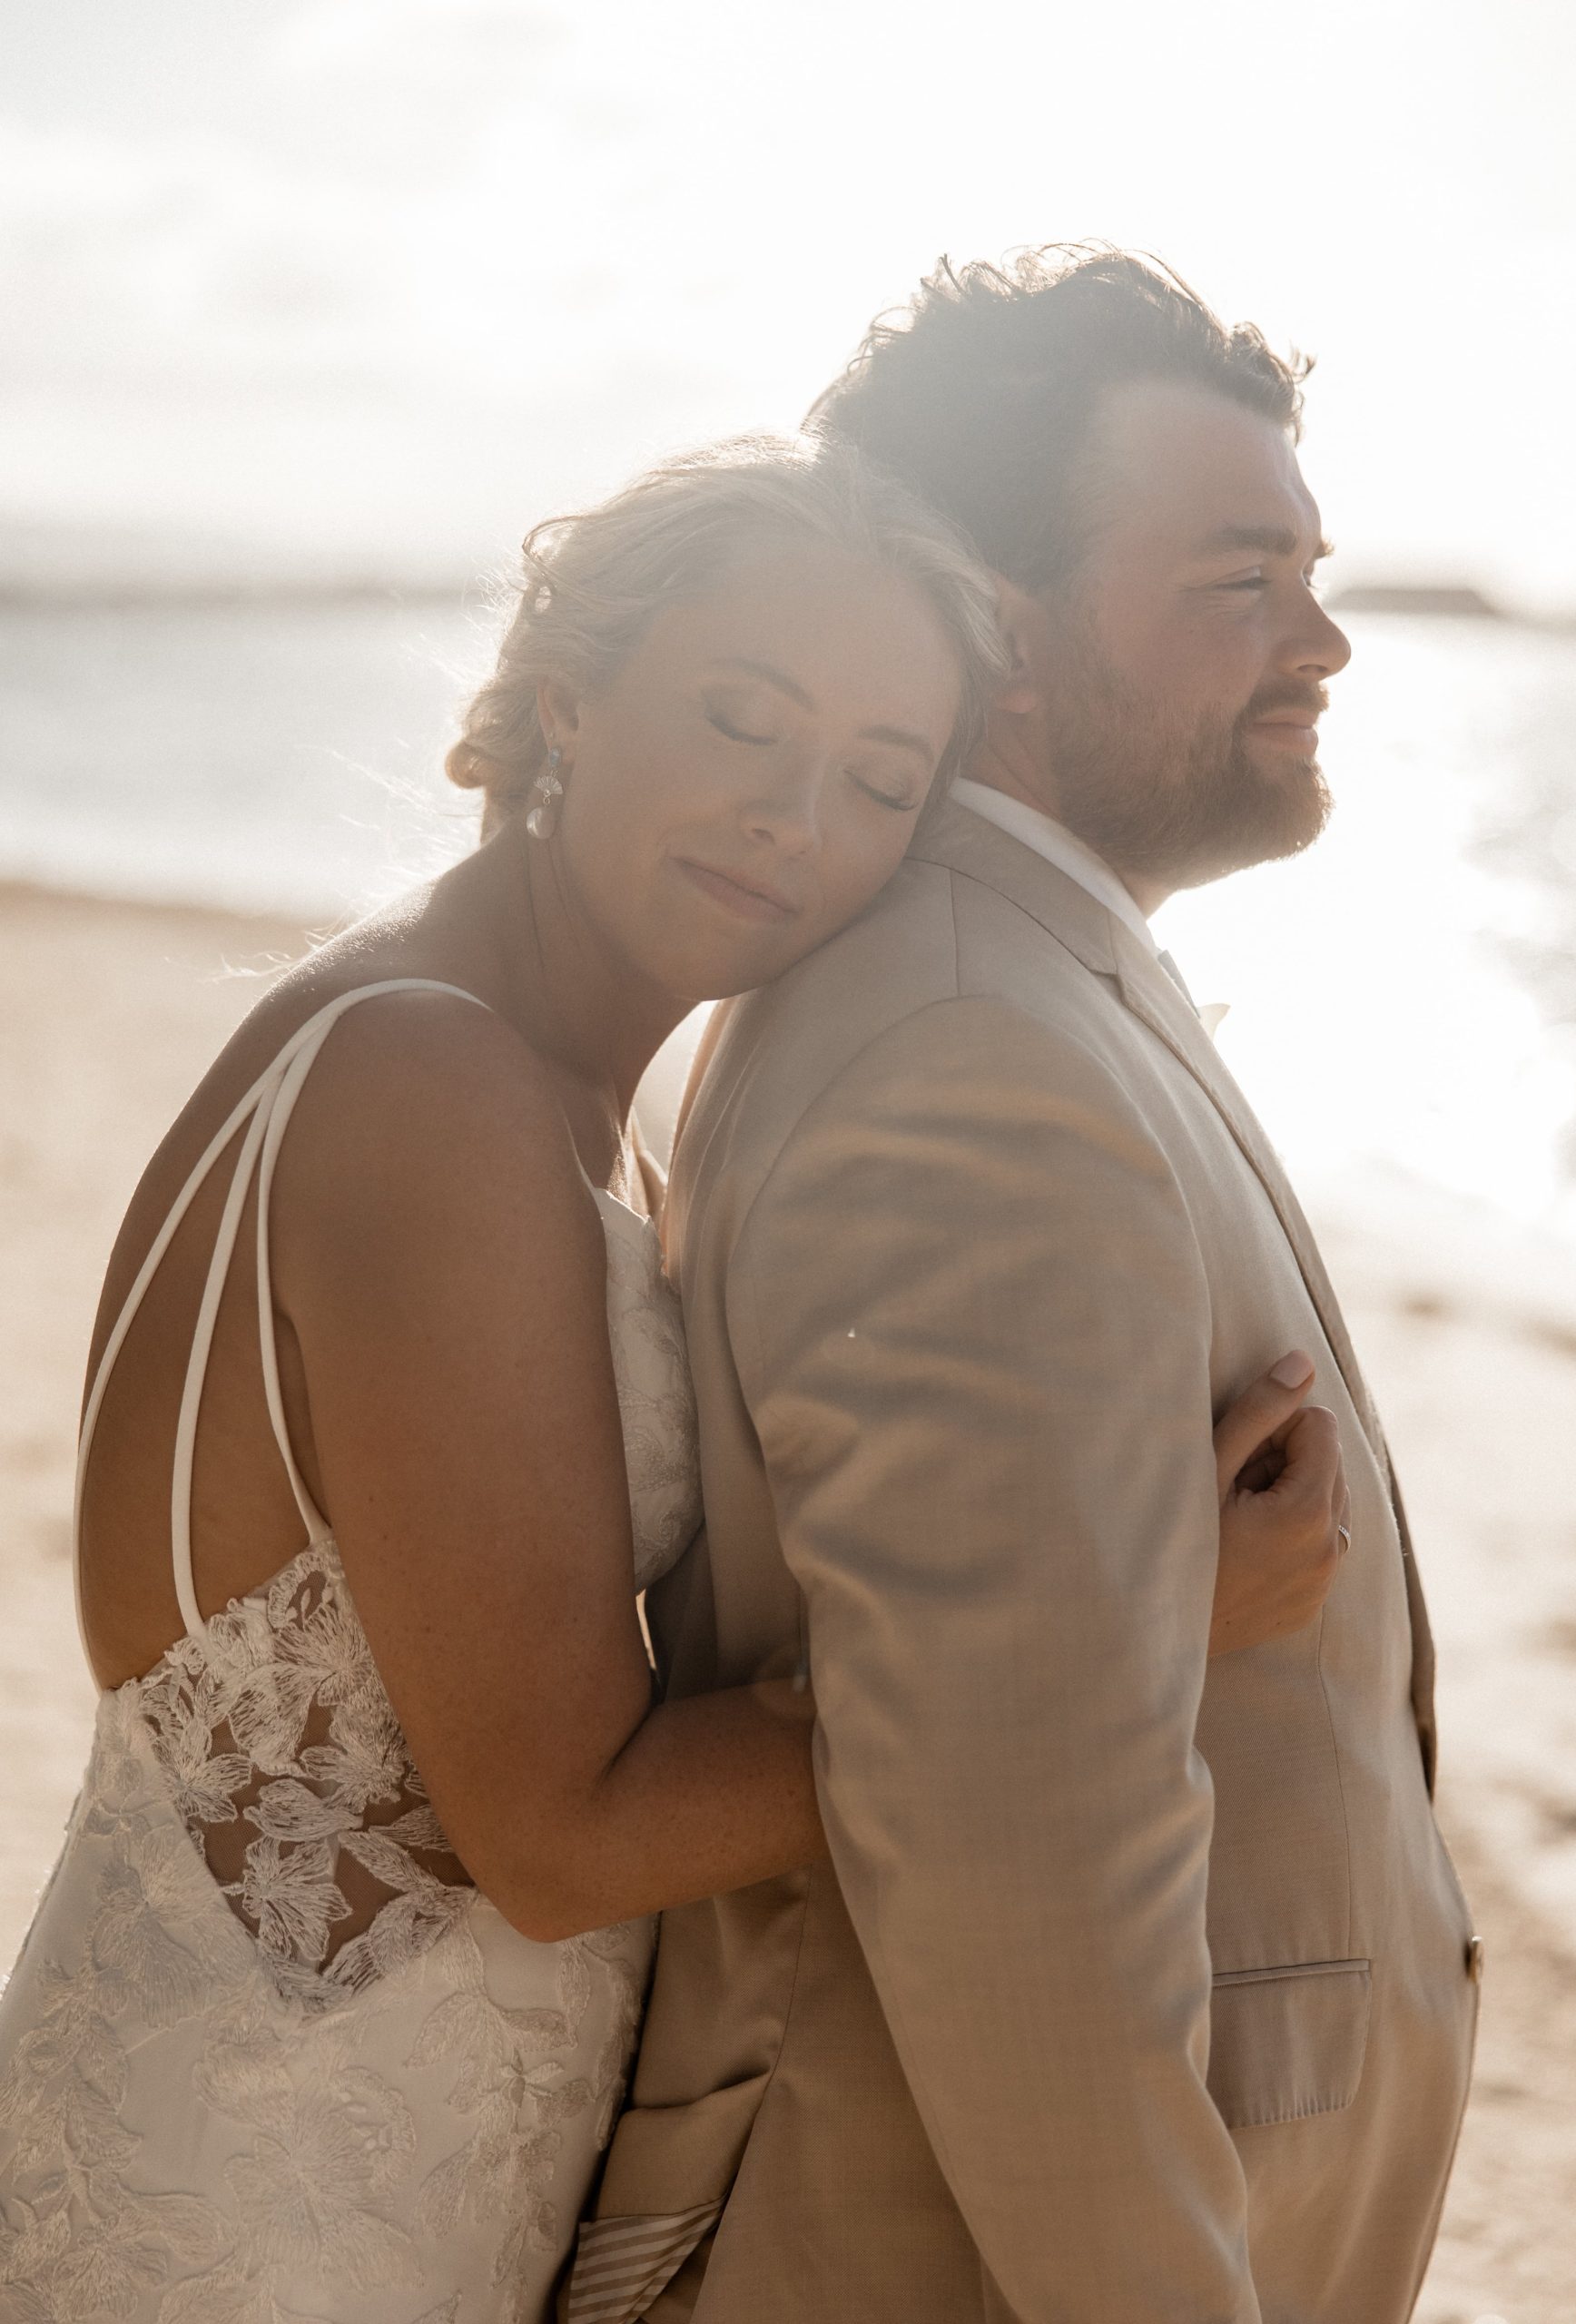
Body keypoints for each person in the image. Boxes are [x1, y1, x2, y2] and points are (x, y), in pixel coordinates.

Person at [0, 436, 1345, 2324]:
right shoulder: (429, 1086)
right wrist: (1147, 1611)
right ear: (570, 695)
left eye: (883, 779)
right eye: (740, 719)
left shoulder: (552, 1095)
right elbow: (562, 1834)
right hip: (273, 2203)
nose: (796, 817)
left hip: (372, 2149)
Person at [570, 251, 1479, 2324]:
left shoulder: (1030, 982)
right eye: (1237, 578)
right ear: (1001, 633)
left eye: (1313, 570)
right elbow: (1015, 1864)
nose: (1321, 639)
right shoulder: (966, 1048)